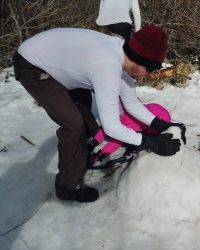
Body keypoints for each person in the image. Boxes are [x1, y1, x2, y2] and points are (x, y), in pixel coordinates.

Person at [13, 25, 181, 203]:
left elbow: (130, 102)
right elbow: (111, 127)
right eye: (150, 69)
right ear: (140, 61)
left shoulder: (123, 54)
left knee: (82, 100)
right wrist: (149, 142)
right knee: (73, 124)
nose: (149, 74)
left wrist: (157, 123)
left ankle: (84, 147)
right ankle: (68, 187)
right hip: (32, 65)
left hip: (54, 60)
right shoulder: (107, 65)